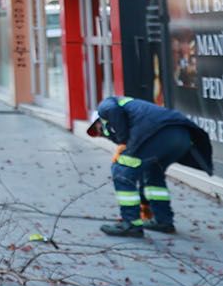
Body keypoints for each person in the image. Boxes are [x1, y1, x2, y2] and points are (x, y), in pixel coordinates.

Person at [86, 94, 214, 236]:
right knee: (153, 173)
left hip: (156, 133)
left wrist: (122, 141)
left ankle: (131, 224)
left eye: (99, 131)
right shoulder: (132, 116)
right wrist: (144, 202)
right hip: (182, 136)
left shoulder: (105, 108)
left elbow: (111, 108)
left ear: (99, 121)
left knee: (121, 171)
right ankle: (163, 221)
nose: (103, 135)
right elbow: (138, 170)